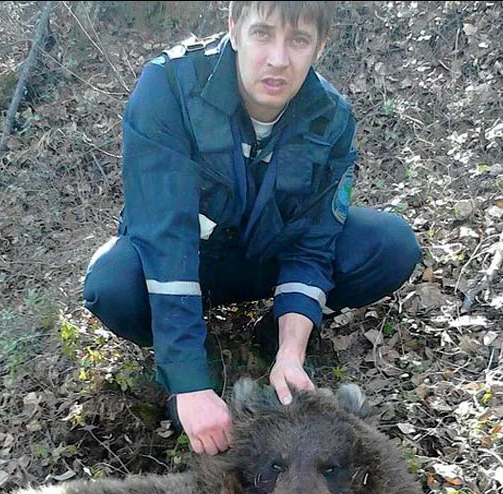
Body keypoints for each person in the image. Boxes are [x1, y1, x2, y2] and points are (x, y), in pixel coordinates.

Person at [83, 1, 420, 456]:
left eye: (298, 40)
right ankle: (194, 354)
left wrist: (290, 351)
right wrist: (190, 384)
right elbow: (163, 238)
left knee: (391, 244)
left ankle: (272, 340)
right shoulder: (168, 86)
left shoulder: (331, 117)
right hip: (191, 260)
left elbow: (313, 244)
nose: (278, 59)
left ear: (319, 46)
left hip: (266, 256)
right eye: (263, 33)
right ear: (234, 28)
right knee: (111, 284)